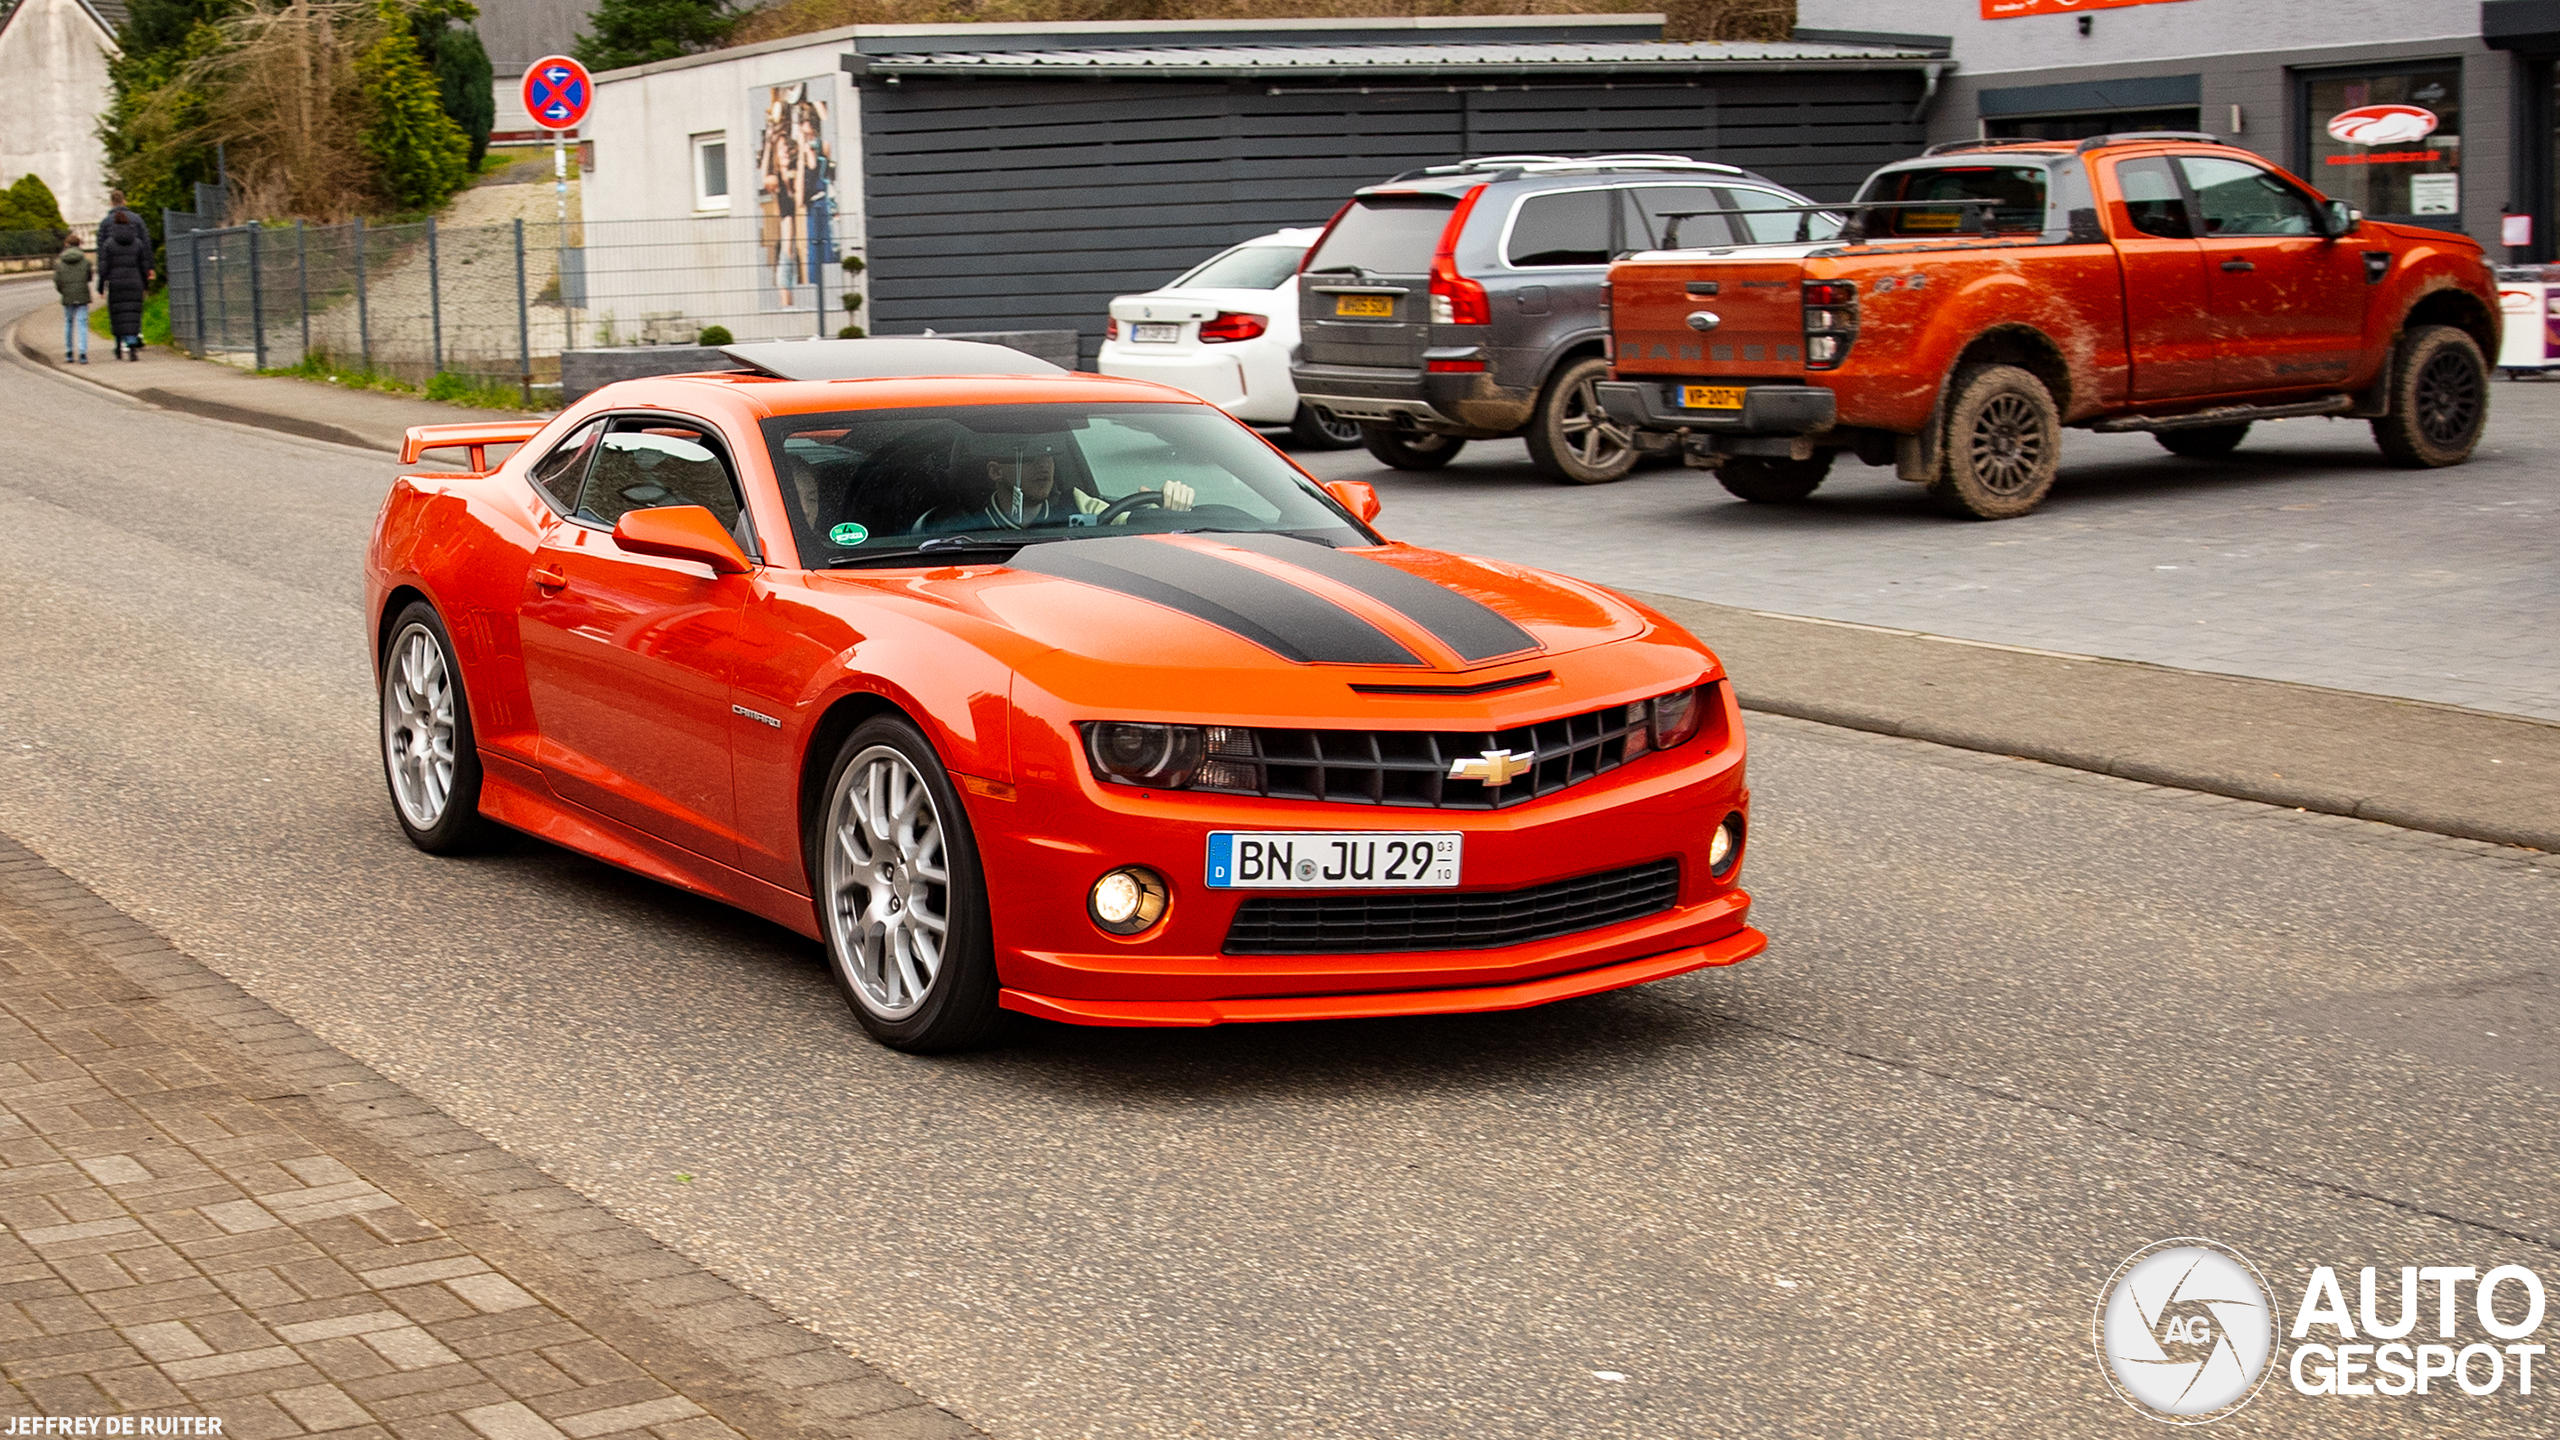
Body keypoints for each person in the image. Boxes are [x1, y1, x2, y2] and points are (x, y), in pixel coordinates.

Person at [918, 437, 1195, 532]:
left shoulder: (1079, 504)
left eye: (1048, 455)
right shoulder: (952, 524)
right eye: (1027, 457)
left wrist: (1168, 507)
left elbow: (1127, 519)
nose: (1043, 465)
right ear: (995, 471)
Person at [95, 192, 152, 361]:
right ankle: (133, 343)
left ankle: (118, 345)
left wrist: (101, 284)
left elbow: (102, 258)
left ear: (111, 202)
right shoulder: (137, 226)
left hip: (116, 279)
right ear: (125, 200)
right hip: (134, 279)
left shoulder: (106, 228)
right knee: (133, 312)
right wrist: (147, 277)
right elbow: (145, 250)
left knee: (117, 313)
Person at [53, 236, 92, 364]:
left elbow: (57, 281)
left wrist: (63, 291)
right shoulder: (85, 261)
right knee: (82, 323)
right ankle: (82, 353)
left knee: (69, 323)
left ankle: (69, 352)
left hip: (68, 295)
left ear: (66, 244)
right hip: (82, 295)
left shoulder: (59, 262)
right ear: (79, 245)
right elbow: (89, 277)